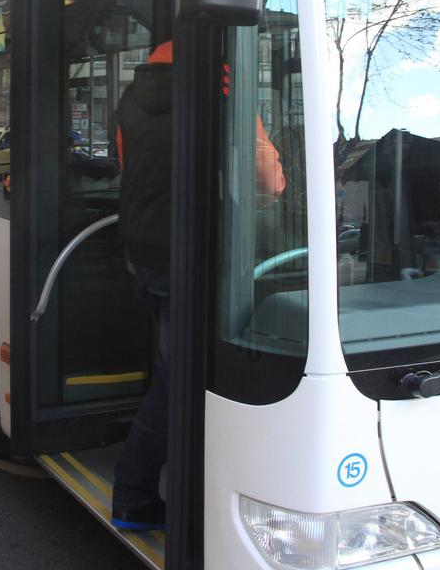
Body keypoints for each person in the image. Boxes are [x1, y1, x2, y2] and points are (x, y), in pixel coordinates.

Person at [110, 40, 284, 531]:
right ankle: (132, 493)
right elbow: (267, 183)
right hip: (190, 257)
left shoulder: (131, 96)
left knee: (176, 368)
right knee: (178, 379)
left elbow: (130, 168)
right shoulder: (224, 85)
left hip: (141, 249)